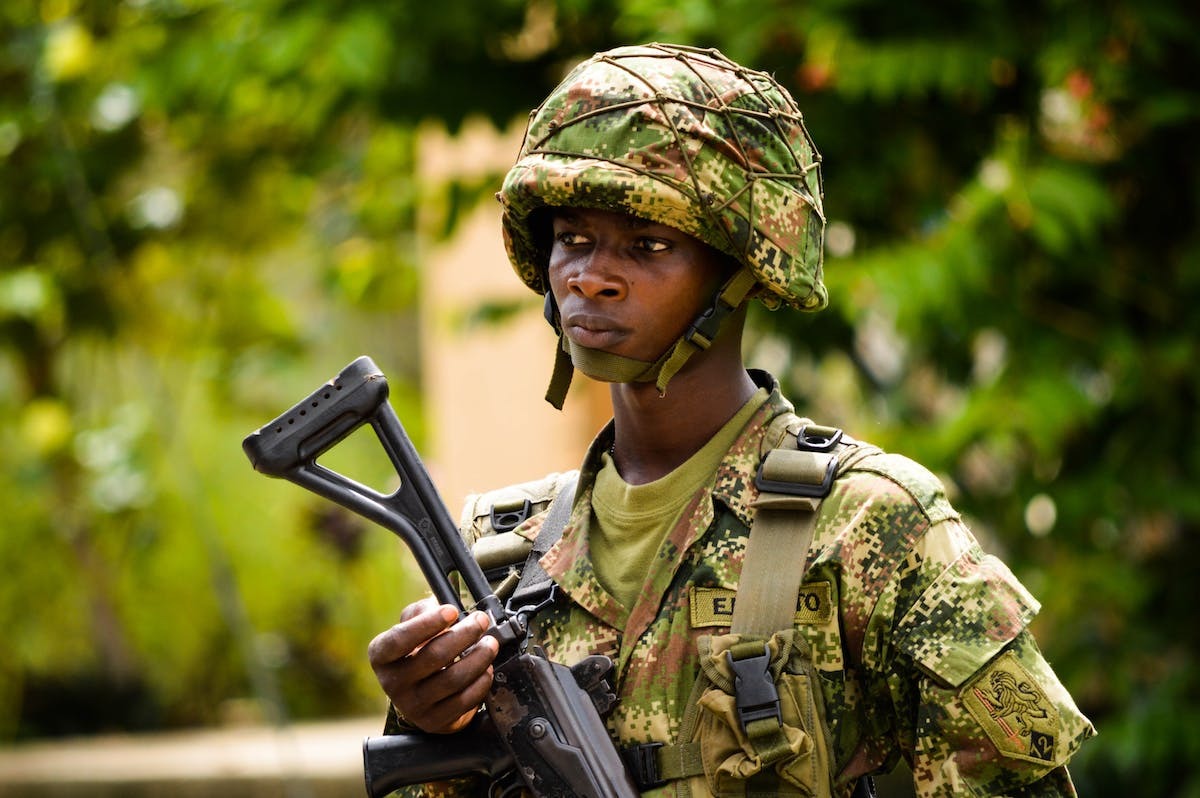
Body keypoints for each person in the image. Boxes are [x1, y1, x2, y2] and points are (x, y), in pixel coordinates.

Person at [367, 43, 1095, 797]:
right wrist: (427, 721)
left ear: (743, 270)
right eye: (572, 239)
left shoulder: (867, 526)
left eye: (648, 245)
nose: (591, 276)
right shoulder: (496, 557)